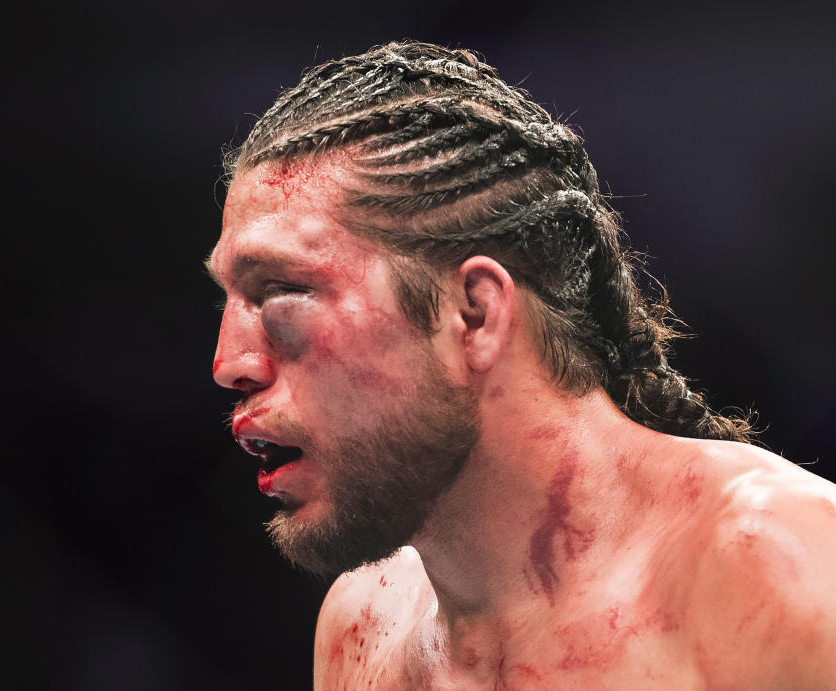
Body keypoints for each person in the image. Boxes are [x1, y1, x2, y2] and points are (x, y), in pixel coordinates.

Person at [208, 41, 836, 689]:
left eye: (281, 293)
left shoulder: (779, 570)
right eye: (228, 300)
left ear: (473, 314)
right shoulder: (363, 631)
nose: (230, 363)